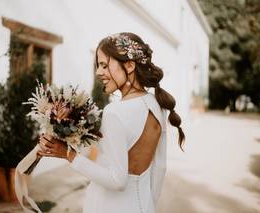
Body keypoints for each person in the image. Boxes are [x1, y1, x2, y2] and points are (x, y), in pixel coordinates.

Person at [36, 32, 185, 213]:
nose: (99, 72)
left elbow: (117, 180)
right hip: (144, 206)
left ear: (129, 65)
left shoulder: (115, 112)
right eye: (98, 66)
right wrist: (148, 206)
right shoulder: (157, 105)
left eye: (105, 65)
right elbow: (160, 168)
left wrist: (69, 156)